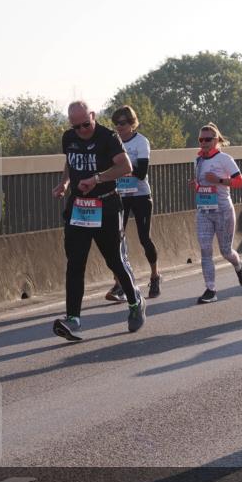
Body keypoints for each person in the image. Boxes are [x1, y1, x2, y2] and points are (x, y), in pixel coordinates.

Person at [52, 101, 145, 341]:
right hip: (79, 208)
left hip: (105, 204)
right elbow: (70, 162)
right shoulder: (69, 138)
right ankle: (73, 319)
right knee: (75, 263)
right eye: (76, 126)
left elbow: (125, 166)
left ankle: (135, 302)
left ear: (93, 116)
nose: (82, 130)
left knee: (114, 260)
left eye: (86, 124)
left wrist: (96, 179)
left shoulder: (108, 137)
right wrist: (65, 182)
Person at [104, 105, 161, 302]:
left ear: (132, 123)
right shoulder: (113, 142)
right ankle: (120, 283)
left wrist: (122, 169)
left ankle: (154, 276)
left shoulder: (141, 142)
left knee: (144, 238)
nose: (119, 127)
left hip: (140, 195)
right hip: (120, 195)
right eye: (116, 123)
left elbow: (142, 172)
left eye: (123, 123)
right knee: (115, 239)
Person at [192, 123, 242, 303]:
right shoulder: (198, 160)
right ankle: (211, 289)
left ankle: (238, 266)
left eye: (208, 139)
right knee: (205, 249)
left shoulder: (225, 159)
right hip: (204, 210)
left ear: (216, 140)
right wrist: (195, 186)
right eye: (201, 139)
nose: (204, 143)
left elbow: (240, 182)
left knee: (226, 251)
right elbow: (200, 185)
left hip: (223, 210)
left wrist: (218, 180)